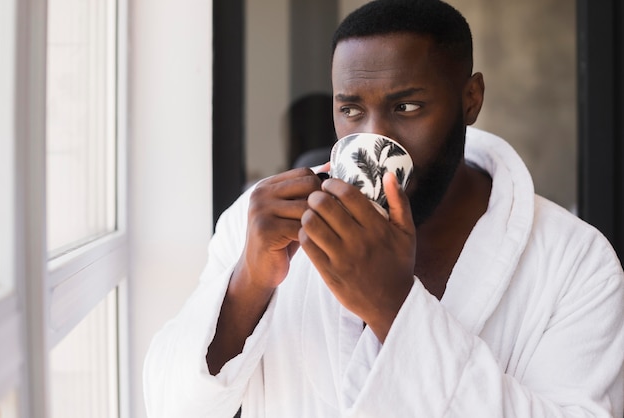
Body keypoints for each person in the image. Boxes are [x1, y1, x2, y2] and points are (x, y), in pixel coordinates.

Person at [143, 0, 624, 416]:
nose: (376, 141)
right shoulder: (264, 222)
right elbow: (169, 406)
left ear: (470, 99)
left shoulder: (575, 263)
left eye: (407, 107)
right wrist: (249, 283)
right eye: (351, 110)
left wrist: (392, 307)